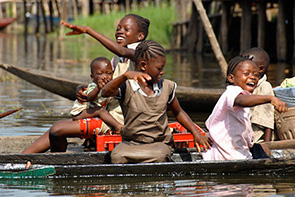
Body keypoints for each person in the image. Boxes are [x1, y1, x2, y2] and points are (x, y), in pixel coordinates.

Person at [101, 40, 213, 164]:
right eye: (159, 68)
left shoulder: (166, 87)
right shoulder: (127, 86)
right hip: (131, 143)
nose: (162, 72)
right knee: (116, 156)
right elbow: (105, 92)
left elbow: (178, 112)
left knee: (159, 156)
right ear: (143, 66)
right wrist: (124, 76)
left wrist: (196, 133)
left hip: (158, 143)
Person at [60, 14, 150, 125]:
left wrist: (88, 30)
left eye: (126, 29)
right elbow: (104, 80)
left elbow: (121, 51)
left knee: (59, 129)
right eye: (118, 29)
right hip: (112, 113)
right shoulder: (117, 58)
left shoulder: (141, 54)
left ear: (140, 36)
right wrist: (84, 89)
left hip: (129, 117)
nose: (120, 32)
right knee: (57, 128)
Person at [22, 57, 122, 153]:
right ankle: (22, 157)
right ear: (92, 77)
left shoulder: (117, 80)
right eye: (100, 74)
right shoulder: (97, 85)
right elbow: (90, 97)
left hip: (108, 119)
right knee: (54, 130)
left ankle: (57, 159)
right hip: (93, 113)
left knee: (57, 129)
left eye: (108, 73)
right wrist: (87, 87)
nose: (105, 76)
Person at [202, 56, 287, 161]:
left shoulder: (243, 96)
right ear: (231, 78)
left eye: (255, 75)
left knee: (264, 148)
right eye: (246, 74)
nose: (252, 77)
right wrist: (270, 98)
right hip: (228, 155)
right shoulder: (232, 92)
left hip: (235, 151)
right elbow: (241, 101)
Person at [240, 47, 274, 143]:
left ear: (260, 69)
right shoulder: (242, 84)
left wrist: (267, 145)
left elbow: (268, 120)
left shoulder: (264, 87)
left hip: (256, 137)